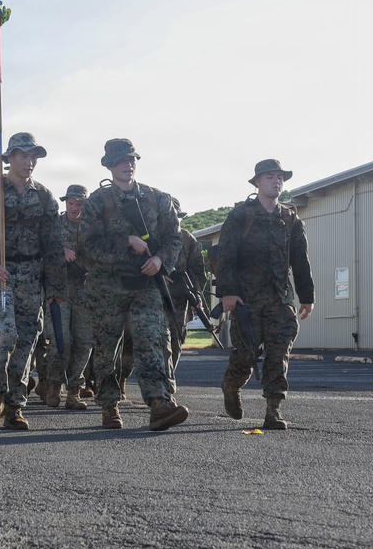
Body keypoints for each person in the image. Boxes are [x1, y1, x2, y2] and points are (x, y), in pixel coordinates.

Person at [78, 138, 188, 431]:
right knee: (106, 347)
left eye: (131, 160)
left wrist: (161, 261)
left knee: (153, 338)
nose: (127, 165)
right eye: (120, 161)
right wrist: (126, 242)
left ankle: (160, 403)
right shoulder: (97, 203)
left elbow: (175, 238)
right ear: (109, 166)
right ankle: (109, 405)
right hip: (106, 286)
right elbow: (87, 247)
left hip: (146, 283)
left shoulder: (157, 199)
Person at [0, 132, 64, 430]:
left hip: (32, 277)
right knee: (3, 334)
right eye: (24, 155)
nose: (30, 161)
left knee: (26, 340)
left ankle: (15, 405)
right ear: (9, 157)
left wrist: (55, 288)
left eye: (33, 156)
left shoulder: (45, 196)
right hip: (2, 275)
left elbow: (53, 245)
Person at [217, 159, 314, 430]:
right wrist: (227, 293)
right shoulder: (241, 215)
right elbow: (225, 256)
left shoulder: (290, 218)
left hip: (280, 300)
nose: (276, 181)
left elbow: (300, 260)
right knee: (246, 354)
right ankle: (231, 385)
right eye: (270, 176)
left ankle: (273, 410)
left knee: (278, 353)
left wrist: (307, 297)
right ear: (257, 182)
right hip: (246, 300)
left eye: (280, 177)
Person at [43, 184, 96, 410]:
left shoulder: (93, 227)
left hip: (86, 292)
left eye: (79, 204)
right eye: (71, 203)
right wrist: (60, 251)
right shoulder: (54, 224)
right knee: (60, 339)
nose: (74, 208)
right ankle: (54, 386)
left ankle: (74, 391)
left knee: (84, 342)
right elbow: (41, 249)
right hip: (60, 290)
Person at [166, 198, 208, 372]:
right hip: (152, 298)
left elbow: (198, 272)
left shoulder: (187, 239)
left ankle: (168, 383)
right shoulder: (150, 237)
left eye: (176, 217)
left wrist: (197, 296)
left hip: (179, 300)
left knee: (175, 341)